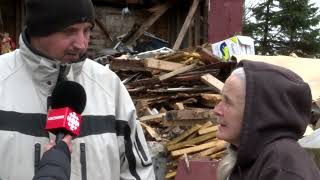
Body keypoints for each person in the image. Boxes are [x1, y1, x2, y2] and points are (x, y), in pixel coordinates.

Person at [0, 0, 155, 179]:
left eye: (87, 30)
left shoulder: (109, 85)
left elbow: (138, 171)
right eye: (69, 31)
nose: (81, 44)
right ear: (38, 30)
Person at [213, 60, 320, 180]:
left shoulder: (283, 169)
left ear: (258, 111)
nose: (216, 110)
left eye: (228, 101)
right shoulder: (255, 158)